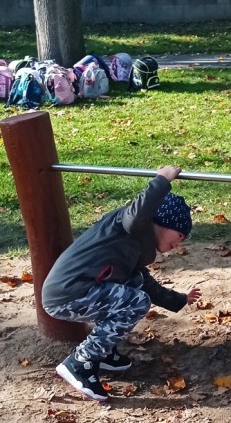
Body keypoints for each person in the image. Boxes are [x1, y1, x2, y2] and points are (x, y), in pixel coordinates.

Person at [42, 165, 201, 402]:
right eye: (180, 235)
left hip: (79, 291)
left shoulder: (134, 246)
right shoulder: (130, 224)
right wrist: (162, 181)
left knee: (135, 285)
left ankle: (103, 351)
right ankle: (81, 362)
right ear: (164, 223)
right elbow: (138, 214)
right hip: (69, 293)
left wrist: (178, 299)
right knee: (136, 302)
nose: (179, 244)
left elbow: (144, 283)